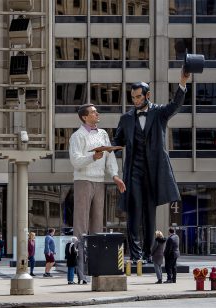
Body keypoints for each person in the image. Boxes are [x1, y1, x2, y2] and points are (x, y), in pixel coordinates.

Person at [112, 69, 190, 263]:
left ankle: (148, 254)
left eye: (139, 96)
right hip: (134, 172)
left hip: (153, 172)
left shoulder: (159, 113)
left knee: (150, 216)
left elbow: (176, 105)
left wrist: (182, 82)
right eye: (133, 97)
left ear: (148, 95)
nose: (135, 100)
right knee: (134, 213)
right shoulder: (126, 118)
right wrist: (102, 151)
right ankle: (135, 255)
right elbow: (118, 142)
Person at [69, 103, 126, 283]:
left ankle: (96, 268)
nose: (97, 113)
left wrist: (115, 176)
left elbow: (110, 157)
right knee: (80, 227)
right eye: (93, 112)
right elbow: (75, 161)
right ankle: (80, 272)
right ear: (85, 117)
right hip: (83, 180)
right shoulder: (77, 136)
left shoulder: (103, 134)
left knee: (97, 229)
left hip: (100, 181)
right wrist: (93, 157)